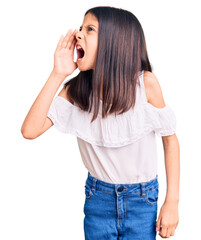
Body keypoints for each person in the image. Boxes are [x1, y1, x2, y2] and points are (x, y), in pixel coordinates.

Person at [21, 6, 180, 240]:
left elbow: (170, 140)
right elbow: (29, 130)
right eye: (80, 28)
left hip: (142, 201)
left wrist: (172, 202)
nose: (78, 34)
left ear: (115, 41)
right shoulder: (75, 92)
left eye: (90, 29)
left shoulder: (145, 85)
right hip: (99, 200)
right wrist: (58, 74)